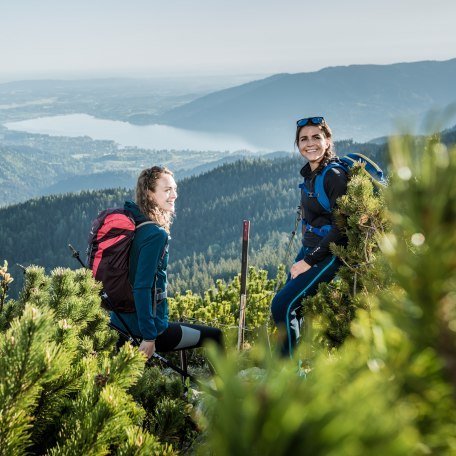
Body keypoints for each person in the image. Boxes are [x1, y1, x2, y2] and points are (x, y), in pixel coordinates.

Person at [111, 165, 223, 359]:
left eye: (175, 189)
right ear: (149, 193)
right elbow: (141, 287)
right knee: (216, 336)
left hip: (120, 324)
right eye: (167, 190)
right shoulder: (155, 234)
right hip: (145, 330)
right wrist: (149, 337)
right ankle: (226, 389)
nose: (174, 195)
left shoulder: (133, 221)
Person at [271, 117, 348, 358]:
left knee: (283, 305)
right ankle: (294, 365)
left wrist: (309, 261)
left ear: (328, 141)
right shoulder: (314, 174)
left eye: (317, 137)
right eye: (303, 139)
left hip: (327, 254)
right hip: (310, 249)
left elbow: (341, 228)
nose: (310, 143)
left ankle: (289, 375)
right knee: (293, 306)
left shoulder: (334, 175)